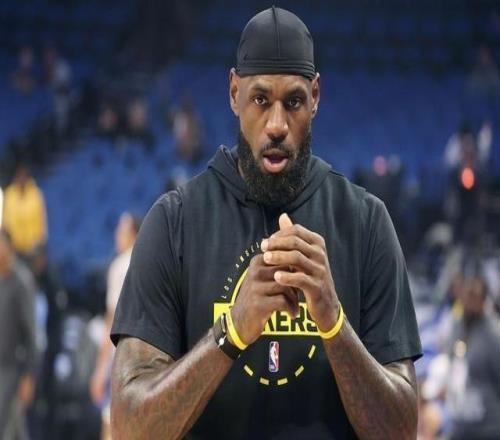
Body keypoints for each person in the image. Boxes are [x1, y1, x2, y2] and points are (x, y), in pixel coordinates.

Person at [110, 7, 422, 439]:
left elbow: (402, 431)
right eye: (260, 99)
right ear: (234, 92)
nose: (277, 125)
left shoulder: (365, 222)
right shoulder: (174, 223)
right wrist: (231, 332)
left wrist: (333, 322)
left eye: (293, 102)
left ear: (315, 96)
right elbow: (129, 427)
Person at [90, 213, 140, 439]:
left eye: (122, 230)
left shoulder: (120, 265)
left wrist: (100, 369)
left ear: (134, 234)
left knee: (110, 424)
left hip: (121, 355)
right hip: (146, 356)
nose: (117, 235)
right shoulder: (151, 262)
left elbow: (111, 320)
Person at [0, 229, 37, 439]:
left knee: (9, 426)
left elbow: (32, 334)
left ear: (9, 248)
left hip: (12, 368)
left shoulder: (21, 281)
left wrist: (28, 376)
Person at [2, 164, 47, 260]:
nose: (21, 178)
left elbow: (42, 220)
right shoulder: (9, 194)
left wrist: (40, 244)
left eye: (24, 175)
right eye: (19, 175)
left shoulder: (36, 194)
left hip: (33, 248)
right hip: (14, 248)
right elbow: (5, 222)